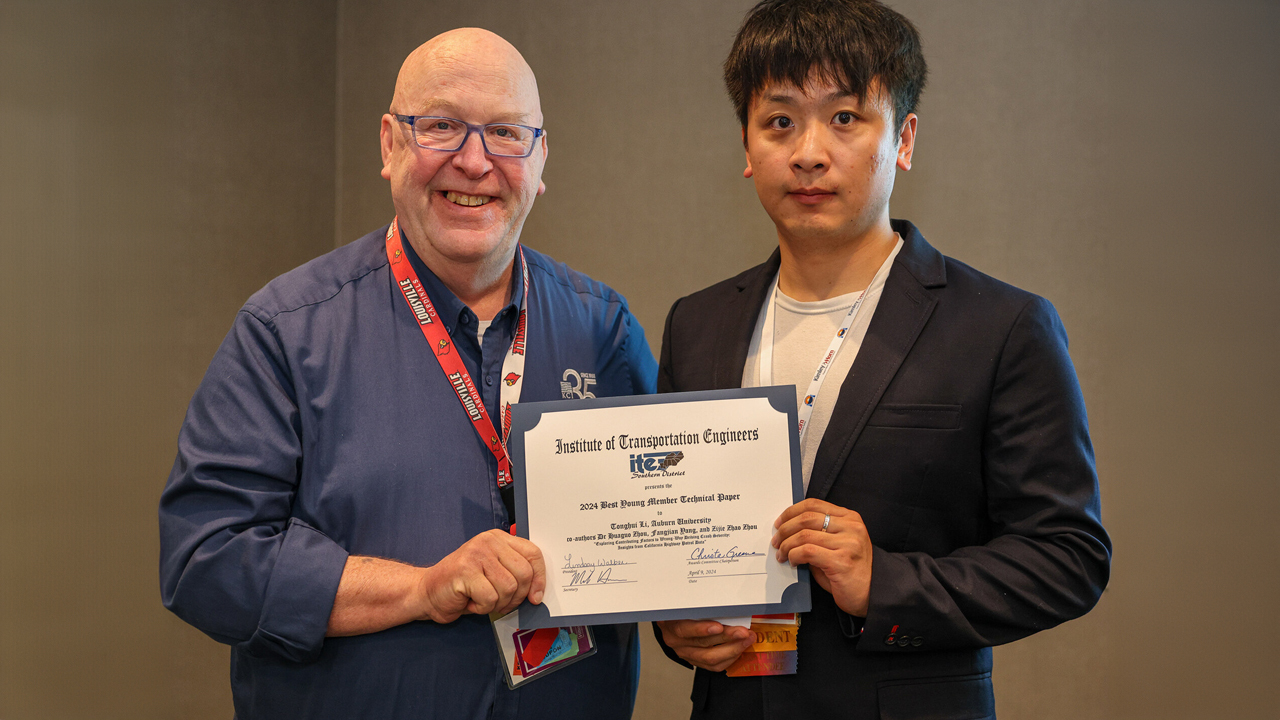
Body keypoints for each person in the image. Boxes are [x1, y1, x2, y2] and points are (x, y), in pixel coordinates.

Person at [159, 28, 655, 719]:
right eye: (443, 127)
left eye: (506, 133)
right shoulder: (286, 331)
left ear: (541, 158)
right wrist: (424, 588)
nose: (474, 162)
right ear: (390, 145)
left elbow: (661, 526)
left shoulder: (603, 329)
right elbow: (205, 562)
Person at [653, 1, 1111, 718]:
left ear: (903, 138)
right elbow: (675, 532)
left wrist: (886, 584)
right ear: (747, 147)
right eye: (780, 121)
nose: (808, 151)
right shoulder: (696, 323)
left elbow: (1068, 557)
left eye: (845, 118)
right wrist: (677, 626)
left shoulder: (1001, 324)